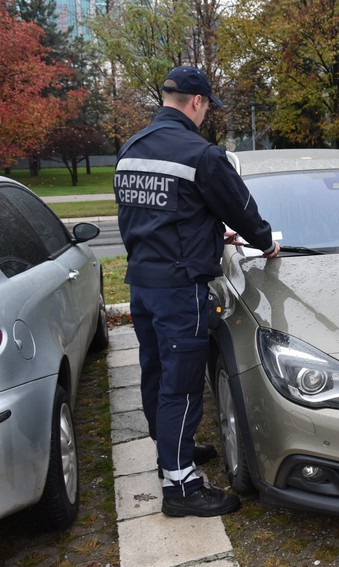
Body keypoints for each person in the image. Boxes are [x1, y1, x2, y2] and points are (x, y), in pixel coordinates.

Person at [113, 65, 280, 518]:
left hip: (143, 283)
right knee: (182, 385)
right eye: (207, 107)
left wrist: (206, 234)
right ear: (196, 101)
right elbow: (242, 210)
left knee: (155, 373)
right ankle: (181, 487)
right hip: (178, 288)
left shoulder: (131, 149)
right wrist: (266, 243)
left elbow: (152, 217)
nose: (205, 115)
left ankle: (170, 453)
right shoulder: (200, 154)